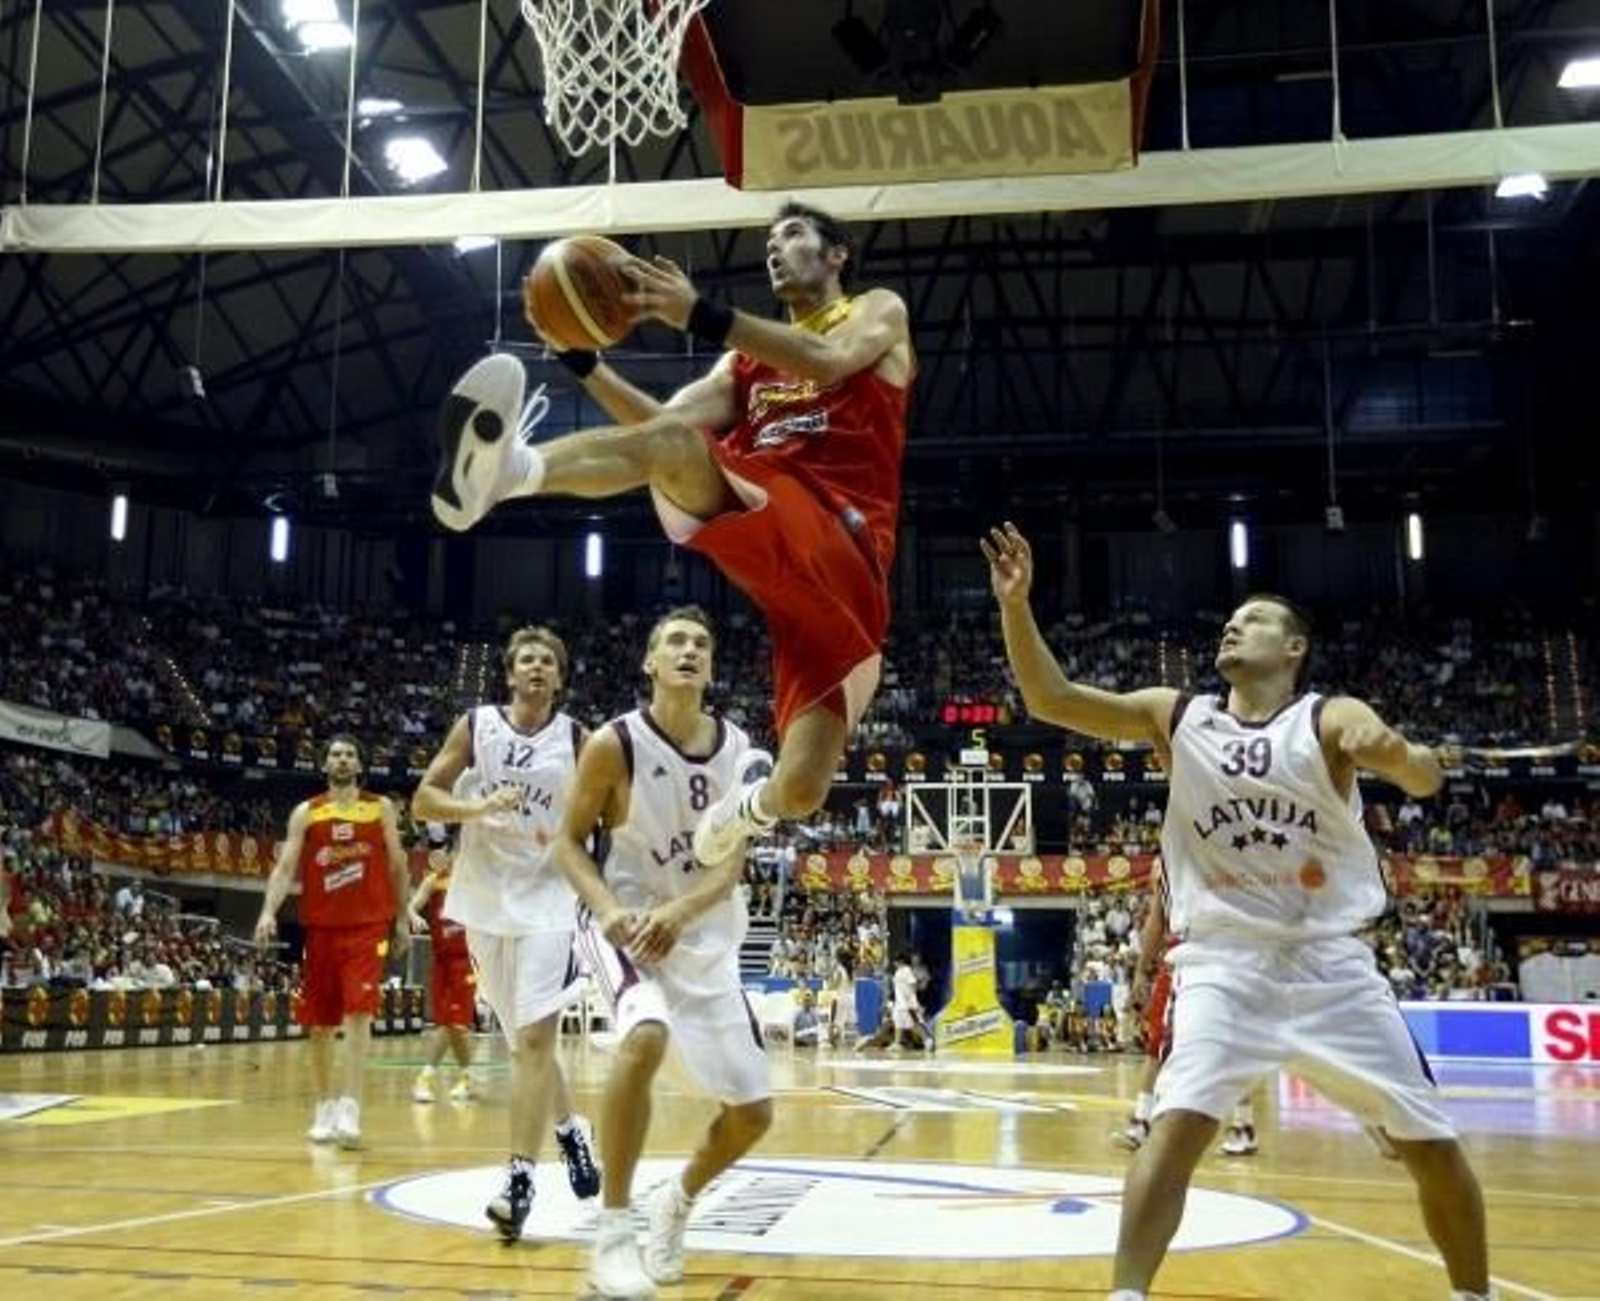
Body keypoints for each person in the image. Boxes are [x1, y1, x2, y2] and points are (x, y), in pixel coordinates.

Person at [982, 522, 1491, 1301]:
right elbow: (1051, 699)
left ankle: (1473, 1294)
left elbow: (1414, 772)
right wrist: (1016, 605)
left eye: (1254, 619)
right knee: (1177, 1122)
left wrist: (1398, 754)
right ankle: (1126, 1294)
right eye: (1231, 619)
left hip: (1332, 966)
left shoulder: (1326, 716)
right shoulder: (1176, 714)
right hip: (1222, 961)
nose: (1233, 624)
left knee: (1431, 1142)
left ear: (1294, 648)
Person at [432, 202, 914, 876]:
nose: (775, 248)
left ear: (837, 255)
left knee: (802, 791)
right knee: (668, 445)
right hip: (774, 516)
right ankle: (509, 473)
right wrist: (582, 362)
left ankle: (736, 812)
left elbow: (829, 360)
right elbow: (660, 429)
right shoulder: (741, 367)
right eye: (769, 240)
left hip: (844, 537)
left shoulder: (877, 310)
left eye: (794, 235)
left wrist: (701, 312)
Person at [551, 607, 773, 1300]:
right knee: (643, 1036)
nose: (689, 650)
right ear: (650, 661)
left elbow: (730, 865)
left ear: (711, 666)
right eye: (675, 641)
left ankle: (674, 1202)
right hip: (622, 922)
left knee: (754, 1114)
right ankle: (612, 1236)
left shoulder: (739, 748)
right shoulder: (613, 743)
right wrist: (616, 913)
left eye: (702, 643)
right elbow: (565, 843)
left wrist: (679, 913)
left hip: (701, 929)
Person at [411, 626, 601, 1243]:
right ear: (510, 673)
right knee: (525, 1045)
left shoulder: (578, 737)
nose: (538, 668)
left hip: (549, 900)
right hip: (485, 898)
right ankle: (572, 1130)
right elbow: (423, 800)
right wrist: (477, 808)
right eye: (528, 660)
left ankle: (518, 1182)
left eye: (549, 660)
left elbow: (607, 813)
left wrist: (578, 839)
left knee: (535, 1039)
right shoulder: (478, 725)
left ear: (559, 676)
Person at [254, 734, 409, 1150]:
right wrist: (269, 911)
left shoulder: (381, 808)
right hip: (320, 929)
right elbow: (285, 867)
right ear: (324, 765)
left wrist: (404, 916)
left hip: (368, 926)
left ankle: (350, 1106)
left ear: (360, 764)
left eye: (349, 754)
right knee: (320, 1024)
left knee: (360, 1014)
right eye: (335, 754)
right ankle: (324, 1104)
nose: (342, 760)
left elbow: (396, 865)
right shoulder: (308, 812)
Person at [407, 828, 477, 1104]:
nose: (458, 857)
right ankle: (467, 1077)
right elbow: (413, 904)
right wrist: (413, 914)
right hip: (441, 962)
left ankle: (424, 1078)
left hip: (466, 962)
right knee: (449, 1024)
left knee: (453, 1025)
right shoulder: (434, 881)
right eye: (455, 851)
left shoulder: (476, 884)